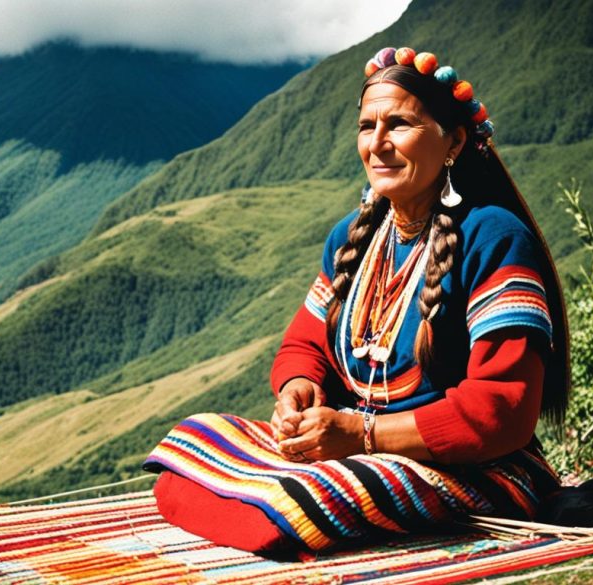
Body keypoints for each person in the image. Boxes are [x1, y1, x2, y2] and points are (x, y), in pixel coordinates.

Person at [143, 46, 570, 553]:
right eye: (368, 127)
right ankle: (280, 506)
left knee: (296, 505)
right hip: (353, 456)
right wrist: (297, 393)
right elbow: (304, 345)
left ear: (453, 141)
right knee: (189, 446)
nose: (378, 144)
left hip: (477, 469)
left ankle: (281, 513)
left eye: (400, 125)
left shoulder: (494, 237)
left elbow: (502, 410)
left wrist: (361, 434)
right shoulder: (353, 237)